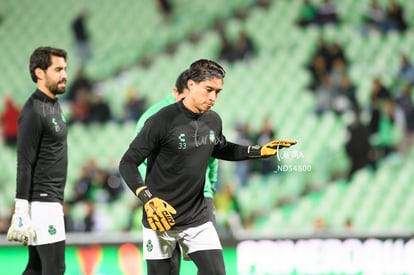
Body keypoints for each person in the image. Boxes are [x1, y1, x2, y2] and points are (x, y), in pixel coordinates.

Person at [119, 59, 296, 275]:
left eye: (218, 92)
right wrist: (147, 199)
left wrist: (258, 151)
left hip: (197, 219)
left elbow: (220, 148)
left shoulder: (213, 120)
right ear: (191, 85)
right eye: (208, 90)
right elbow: (127, 163)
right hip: (161, 218)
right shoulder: (161, 120)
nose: (213, 97)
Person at [135, 69, 219, 274]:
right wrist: (151, 196)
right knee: (169, 266)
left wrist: (210, 188)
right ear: (176, 92)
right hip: (164, 198)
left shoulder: (205, 115)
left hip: (200, 197)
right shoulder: (154, 117)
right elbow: (138, 161)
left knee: (211, 266)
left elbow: (213, 154)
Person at [7, 46, 68, 274]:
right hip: (42, 202)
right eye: (58, 69)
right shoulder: (33, 111)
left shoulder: (53, 105)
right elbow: (24, 162)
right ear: (39, 73)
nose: (64, 75)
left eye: (65, 69)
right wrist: (21, 210)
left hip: (50, 200)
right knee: (55, 268)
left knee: (36, 267)